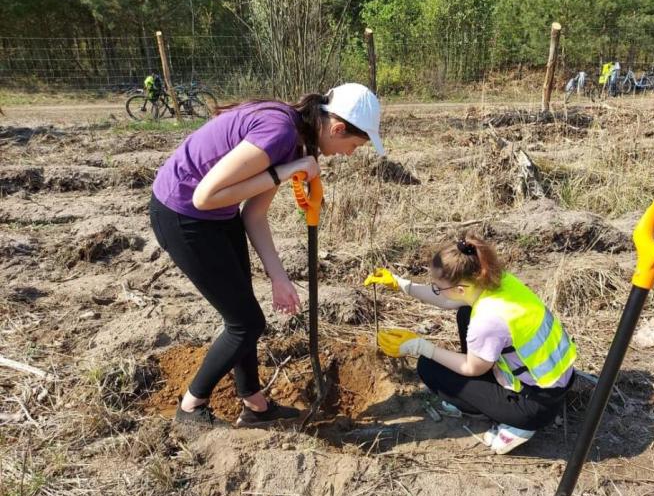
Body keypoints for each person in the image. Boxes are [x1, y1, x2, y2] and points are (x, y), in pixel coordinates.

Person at [150, 83, 384, 429]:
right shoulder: (278, 133)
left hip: (218, 215)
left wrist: (279, 277)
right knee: (246, 323)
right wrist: (284, 172)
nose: (348, 154)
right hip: (183, 214)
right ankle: (189, 408)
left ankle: (255, 406)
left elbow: (253, 215)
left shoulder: (298, 140)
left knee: (242, 316)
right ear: (337, 129)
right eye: (352, 146)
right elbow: (204, 196)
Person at [364, 232, 576, 454]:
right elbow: (447, 300)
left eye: (438, 287)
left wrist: (420, 347)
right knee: (464, 312)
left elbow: (471, 368)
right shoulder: (498, 281)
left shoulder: (486, 318)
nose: (436, 290)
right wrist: (402, 285)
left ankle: (519, 425)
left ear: (461, 289)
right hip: (556, 379)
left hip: (534, 404)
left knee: (429, 368)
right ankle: (498, 396)